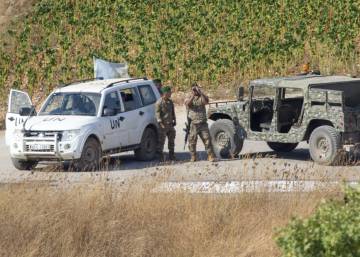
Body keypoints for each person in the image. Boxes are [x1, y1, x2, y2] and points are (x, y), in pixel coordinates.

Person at [184, 82, 216, 162]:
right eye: (194, 89)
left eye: (196, 88)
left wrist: (200, 92)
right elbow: (188, 104)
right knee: (192, 141)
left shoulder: (201, 97)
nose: (195, 90)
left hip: (202, 123)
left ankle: (210, 156)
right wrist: (192, 95)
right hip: (193, 124)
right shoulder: (189, 97)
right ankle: (193, 156)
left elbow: (206, 101)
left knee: (207, 140)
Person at [156, 86, 176, 161]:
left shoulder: (170, 102)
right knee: (161, 142)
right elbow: (157, 115)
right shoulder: (159, 103)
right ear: (165, 93)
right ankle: (160, 157)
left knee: (172, 141)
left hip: (170, 124)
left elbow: (172, 112)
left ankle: (172, 156)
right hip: (163, 125)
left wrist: (174, 120)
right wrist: (161, 125)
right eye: (169, 92)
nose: (170, 93)